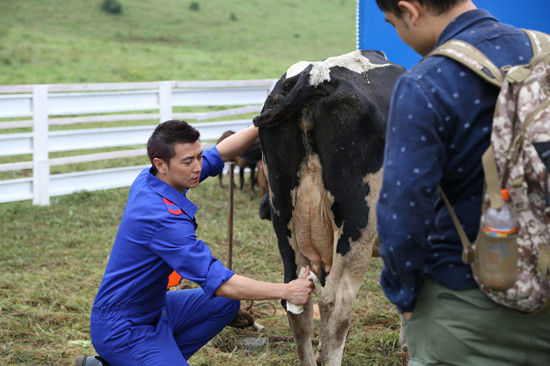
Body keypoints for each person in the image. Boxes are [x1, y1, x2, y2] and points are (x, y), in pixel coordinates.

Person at [374, 1, 550, 365]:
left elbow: (403, 215)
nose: (401, 36)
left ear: (410, 10)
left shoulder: (426, 82)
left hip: (467, 310)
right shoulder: (545, 52)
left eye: (394, 24)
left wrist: (404, 297)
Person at [76, 120, 313, 366]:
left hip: (156, 307)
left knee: (225, 305)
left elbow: (222, 152)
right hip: (124, 328)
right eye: (188, 162)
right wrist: (287, 291)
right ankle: (140, 357)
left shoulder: (150, 180)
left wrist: (263, 123)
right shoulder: (162, 218)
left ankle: (154, 357)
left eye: (198, 157)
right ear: (161, 164)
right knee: (224, 294)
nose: (197, 167)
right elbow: (220, 282)